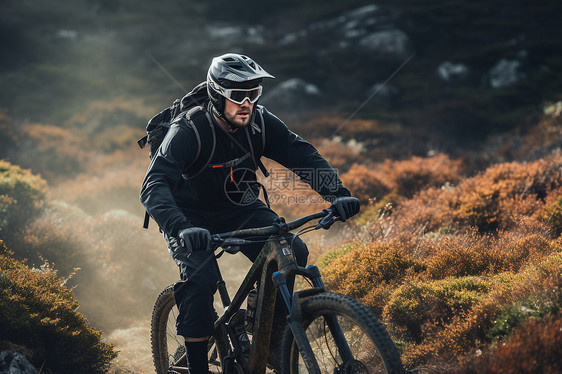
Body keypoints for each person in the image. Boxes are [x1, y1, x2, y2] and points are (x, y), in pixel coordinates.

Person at [140, 53, 360, 374]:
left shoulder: (259, 122)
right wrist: (180, 227)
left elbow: (302, 155)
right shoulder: (190, 130)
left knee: (292, 249)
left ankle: (267, 340)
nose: (247, 103)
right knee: (200, 285)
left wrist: (338, 194)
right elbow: (153, 185)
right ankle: (199, 366)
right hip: (188, 219)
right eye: (238, 95)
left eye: (254, 94)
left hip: (240, 208)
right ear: (217, 94)